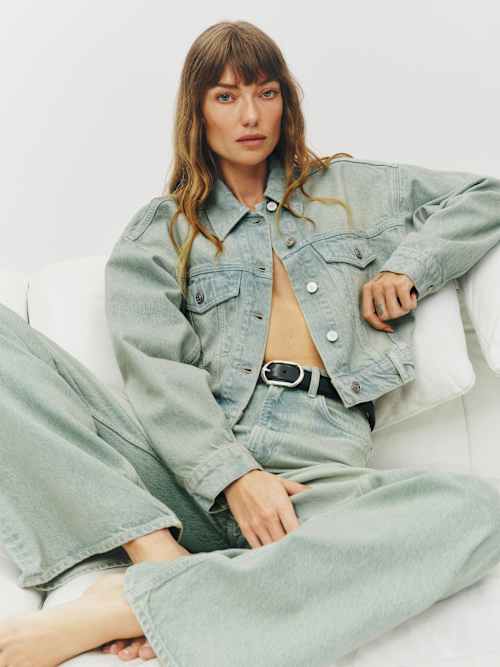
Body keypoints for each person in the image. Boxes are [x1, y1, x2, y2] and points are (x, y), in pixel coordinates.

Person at [2, 19, 500, 667]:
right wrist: (234, 475)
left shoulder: (352, 191)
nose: (250, 115)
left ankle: (139, 600)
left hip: (313, 488)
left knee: (473, 511)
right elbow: (158, 371)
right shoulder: (162, 230)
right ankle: (157, 555)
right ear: (197, 110)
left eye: (266, 92)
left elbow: (485, 195)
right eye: (226, 96)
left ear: (286, 101)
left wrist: (409, 268)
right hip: (176, 486)